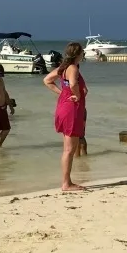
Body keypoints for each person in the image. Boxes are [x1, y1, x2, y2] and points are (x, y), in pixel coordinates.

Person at [44, 42, 87, 191]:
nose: (83, 54)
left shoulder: (63, 68)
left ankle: (67, 181)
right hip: (71, 109)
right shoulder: (73, 68)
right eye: (82, 52)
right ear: (78, 54)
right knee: (69, 149)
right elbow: (74, 84)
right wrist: (77, 94)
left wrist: (63, 93)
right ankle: (66, 183)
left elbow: (47, 80)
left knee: (69, 148)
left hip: (64, 106)